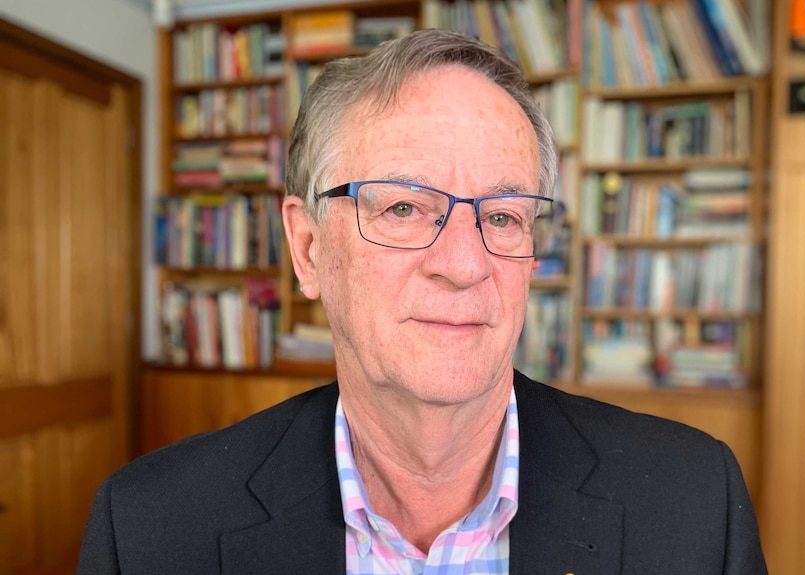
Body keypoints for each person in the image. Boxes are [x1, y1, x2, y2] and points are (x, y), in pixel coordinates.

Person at [78, 29, 767, 574]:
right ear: (309, 248)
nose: (465, 265)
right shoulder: (149, 529)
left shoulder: (695, 503)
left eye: (501, 216)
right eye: (405, 207)